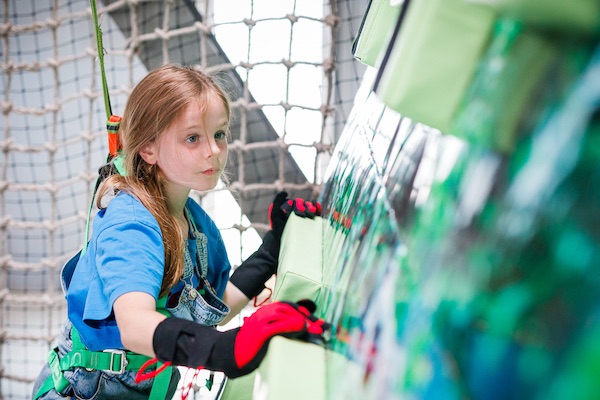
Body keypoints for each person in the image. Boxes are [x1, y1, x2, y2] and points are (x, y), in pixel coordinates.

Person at [32, 64, 326, 400]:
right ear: (149, 149)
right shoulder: (131, 223)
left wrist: (272, 249)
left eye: (219, 134)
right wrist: (224, 350)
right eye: (192, 138)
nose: (213, 151)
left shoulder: (193, 221)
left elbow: (211, 311)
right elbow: (135, 325)